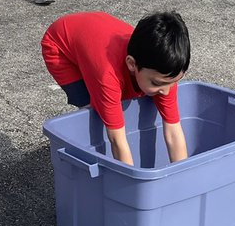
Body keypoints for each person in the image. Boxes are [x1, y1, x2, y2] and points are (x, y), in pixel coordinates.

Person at [42, 11, 190, 167]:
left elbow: (173, 131)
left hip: (96, 38)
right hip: (59, 46)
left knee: (117, 104)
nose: (166, 91)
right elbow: (116, 139)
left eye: (173, 82)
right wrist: (132, 179)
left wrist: (183, 176)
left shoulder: (166, 71)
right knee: (94, 111)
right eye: (156, 83)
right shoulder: (108, 76)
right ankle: (91, 162)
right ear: (132, 64)